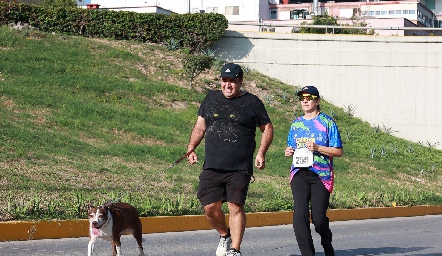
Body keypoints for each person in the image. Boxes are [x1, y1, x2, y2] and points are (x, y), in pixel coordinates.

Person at [187, 63, 274, 256]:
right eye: (224, 81)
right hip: (212, 164)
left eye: (232, 81)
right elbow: (200, 125)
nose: (228, 85)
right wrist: (191, 147)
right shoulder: (210, 98)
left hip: (239, 166)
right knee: (209, 207)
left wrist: (261, 153)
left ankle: (235, 249)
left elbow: (267, 127)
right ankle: (224, 235)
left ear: (240, 82)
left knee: (235, 205)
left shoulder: (253, 102)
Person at [284, 86, 343, 256]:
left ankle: (326, 241)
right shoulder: (296, 124)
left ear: (317, 100)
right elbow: (291, 147)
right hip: (299, 174)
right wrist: (288, 151)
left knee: (318, 220)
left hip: (320, 175)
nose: (305, 100)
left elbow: (338, 151)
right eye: (302, 97)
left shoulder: (327, 123)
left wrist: (318, 148)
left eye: (309, 97)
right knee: (300, 216)